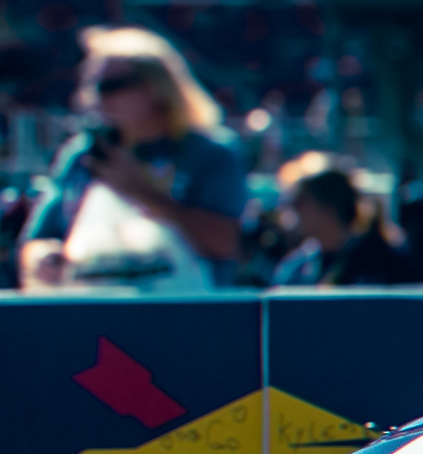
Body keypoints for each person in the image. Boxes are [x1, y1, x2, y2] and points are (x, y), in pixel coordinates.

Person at [16, 26, 249, 292]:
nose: (96, 97)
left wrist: (138, 192)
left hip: (185, 309)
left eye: (111, 86)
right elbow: (37, 239)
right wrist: (42, 257)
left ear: (156, 88)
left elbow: (225, 244)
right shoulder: (83, 154)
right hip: (89, 308)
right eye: (91, 85)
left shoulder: (209, 153)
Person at [266, 157, 423, 288]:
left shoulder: (385, 263)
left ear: (328, 206)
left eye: (300, 201)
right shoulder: (296, 269)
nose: (292, 209)